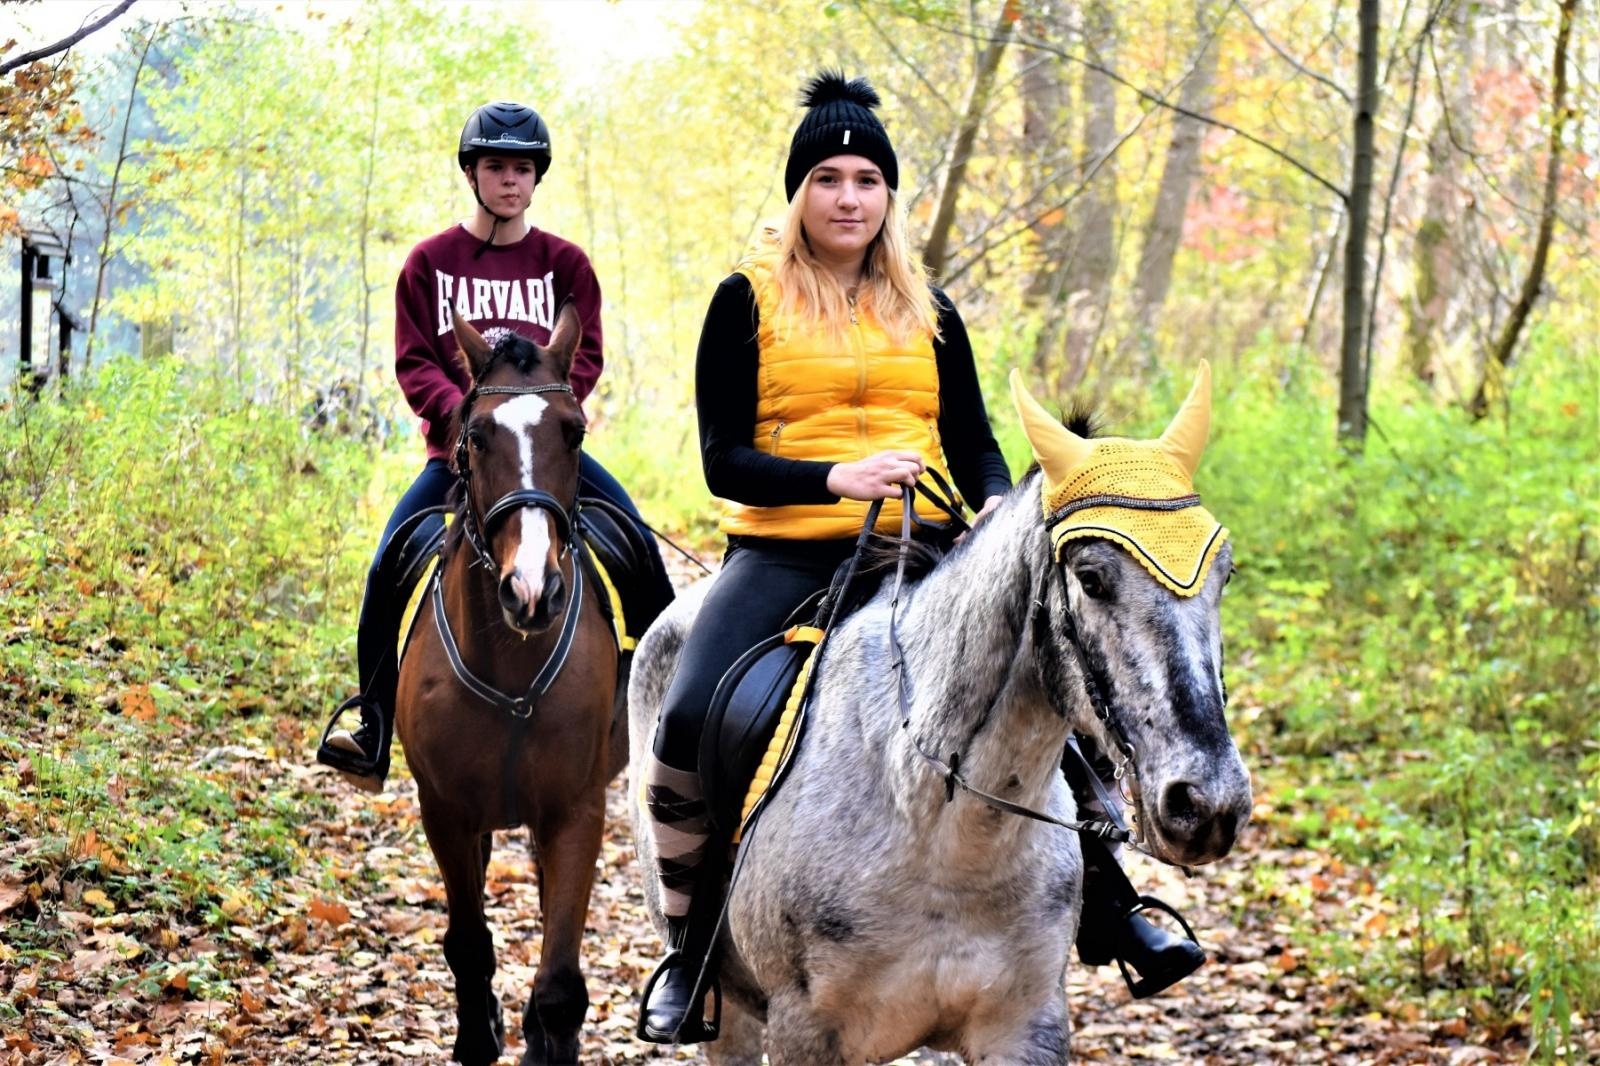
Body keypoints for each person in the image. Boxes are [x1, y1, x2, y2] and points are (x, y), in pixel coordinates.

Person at [637, 72, 1205, 1045]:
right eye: (827, 178)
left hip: (927, 552)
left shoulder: (929, 306)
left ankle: (1112, 909)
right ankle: (692, 955)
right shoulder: (747, 299)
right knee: (690, 715)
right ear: (798, 193)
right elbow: (723, 453)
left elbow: (974, 439)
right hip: (783, 552)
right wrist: (835, 477)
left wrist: (991, 503)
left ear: (889, 194)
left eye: (866, 178)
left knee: (1041, 695)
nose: (847, 196)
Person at [317, 101, 672, 794]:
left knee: (640, 553)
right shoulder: (427, 263)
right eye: (496, 168)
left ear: (537, 176)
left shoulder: (566, 264)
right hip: (459, 459)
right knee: (389, 566)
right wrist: (457, 421)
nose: (510, 181)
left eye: (522, 169)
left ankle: (659, 708)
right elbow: (415, 359)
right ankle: (374, 723)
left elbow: (585, 355)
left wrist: (547, 416)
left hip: (547, 459)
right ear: (472, 173)